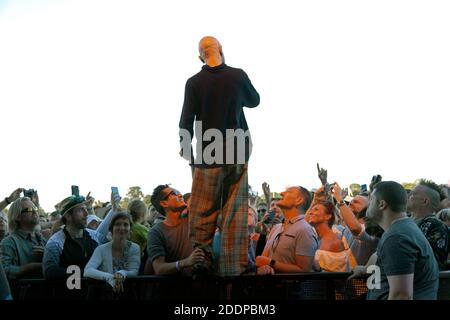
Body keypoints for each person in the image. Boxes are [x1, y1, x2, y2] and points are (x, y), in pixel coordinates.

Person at [179, 36, 260, 276]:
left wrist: (187, 152)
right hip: (236, 149)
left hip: (207, 151)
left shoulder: (193, 82)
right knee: (235, 209)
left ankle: (201, 258)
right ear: (221, 50)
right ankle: (233, 266)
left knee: (203, 209)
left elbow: (185, 121)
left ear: (199, 57)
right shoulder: (237, 75)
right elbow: (254, 101)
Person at [363, 181, 439, 300]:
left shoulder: (397, 237)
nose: (368, 203)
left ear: (382, 204)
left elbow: (401, 295)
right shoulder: (400, 230)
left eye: (371, 199)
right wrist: (363, 269)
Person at [43, 192, 117, 279]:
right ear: (68, 216)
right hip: (70, 292)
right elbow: (49, 271)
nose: (86, 214)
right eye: (80, 210)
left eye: (85, 209)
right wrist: (85, 273)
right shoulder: (55, 242)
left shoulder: (95, 236)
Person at [255, 186, 318, 274]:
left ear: (298, 200)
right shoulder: (276, 228)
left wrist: (271, 263)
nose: (281, 193)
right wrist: (264, 268)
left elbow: (304, 270)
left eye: (288, 191)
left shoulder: (304, 230)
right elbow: (262, 259)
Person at [145, 185, 204, 275]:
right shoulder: (156, 232)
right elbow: (159, 268)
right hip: (173, 287)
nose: (180, 195)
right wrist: (186, 262)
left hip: (200, 285)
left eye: (179, 192)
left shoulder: (193, 221)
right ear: (164, 203)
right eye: (175, 193)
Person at [84, 212, 140, 294]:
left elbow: (134, 271)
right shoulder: (101, 249)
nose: (122, 228)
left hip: (127, 294)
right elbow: (88, 271)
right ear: (111, 229)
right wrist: (109, 277)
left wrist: (122, 273)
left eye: (125, 224)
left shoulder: (135, 248)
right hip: (104, 294)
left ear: (130, 229)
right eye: (117, 224)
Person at [0, 197, 47, 279]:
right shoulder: (9, 242)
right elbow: (4, 271)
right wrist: (31, 267)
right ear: (18, 217)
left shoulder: (42, 240)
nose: (35, 211)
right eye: (29, 209)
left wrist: (46, 256)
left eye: (35, 208)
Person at [407, 179, 449, 270]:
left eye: (412, 194)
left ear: (425, 201)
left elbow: (430, 263)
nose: (408, 196)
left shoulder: (437, 226)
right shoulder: (403, 221)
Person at [308, 199, 356, 272]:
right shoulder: (315, 236)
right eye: (311, 210)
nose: (310, 212)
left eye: (316, 210)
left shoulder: (333, 241)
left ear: (327, 216)